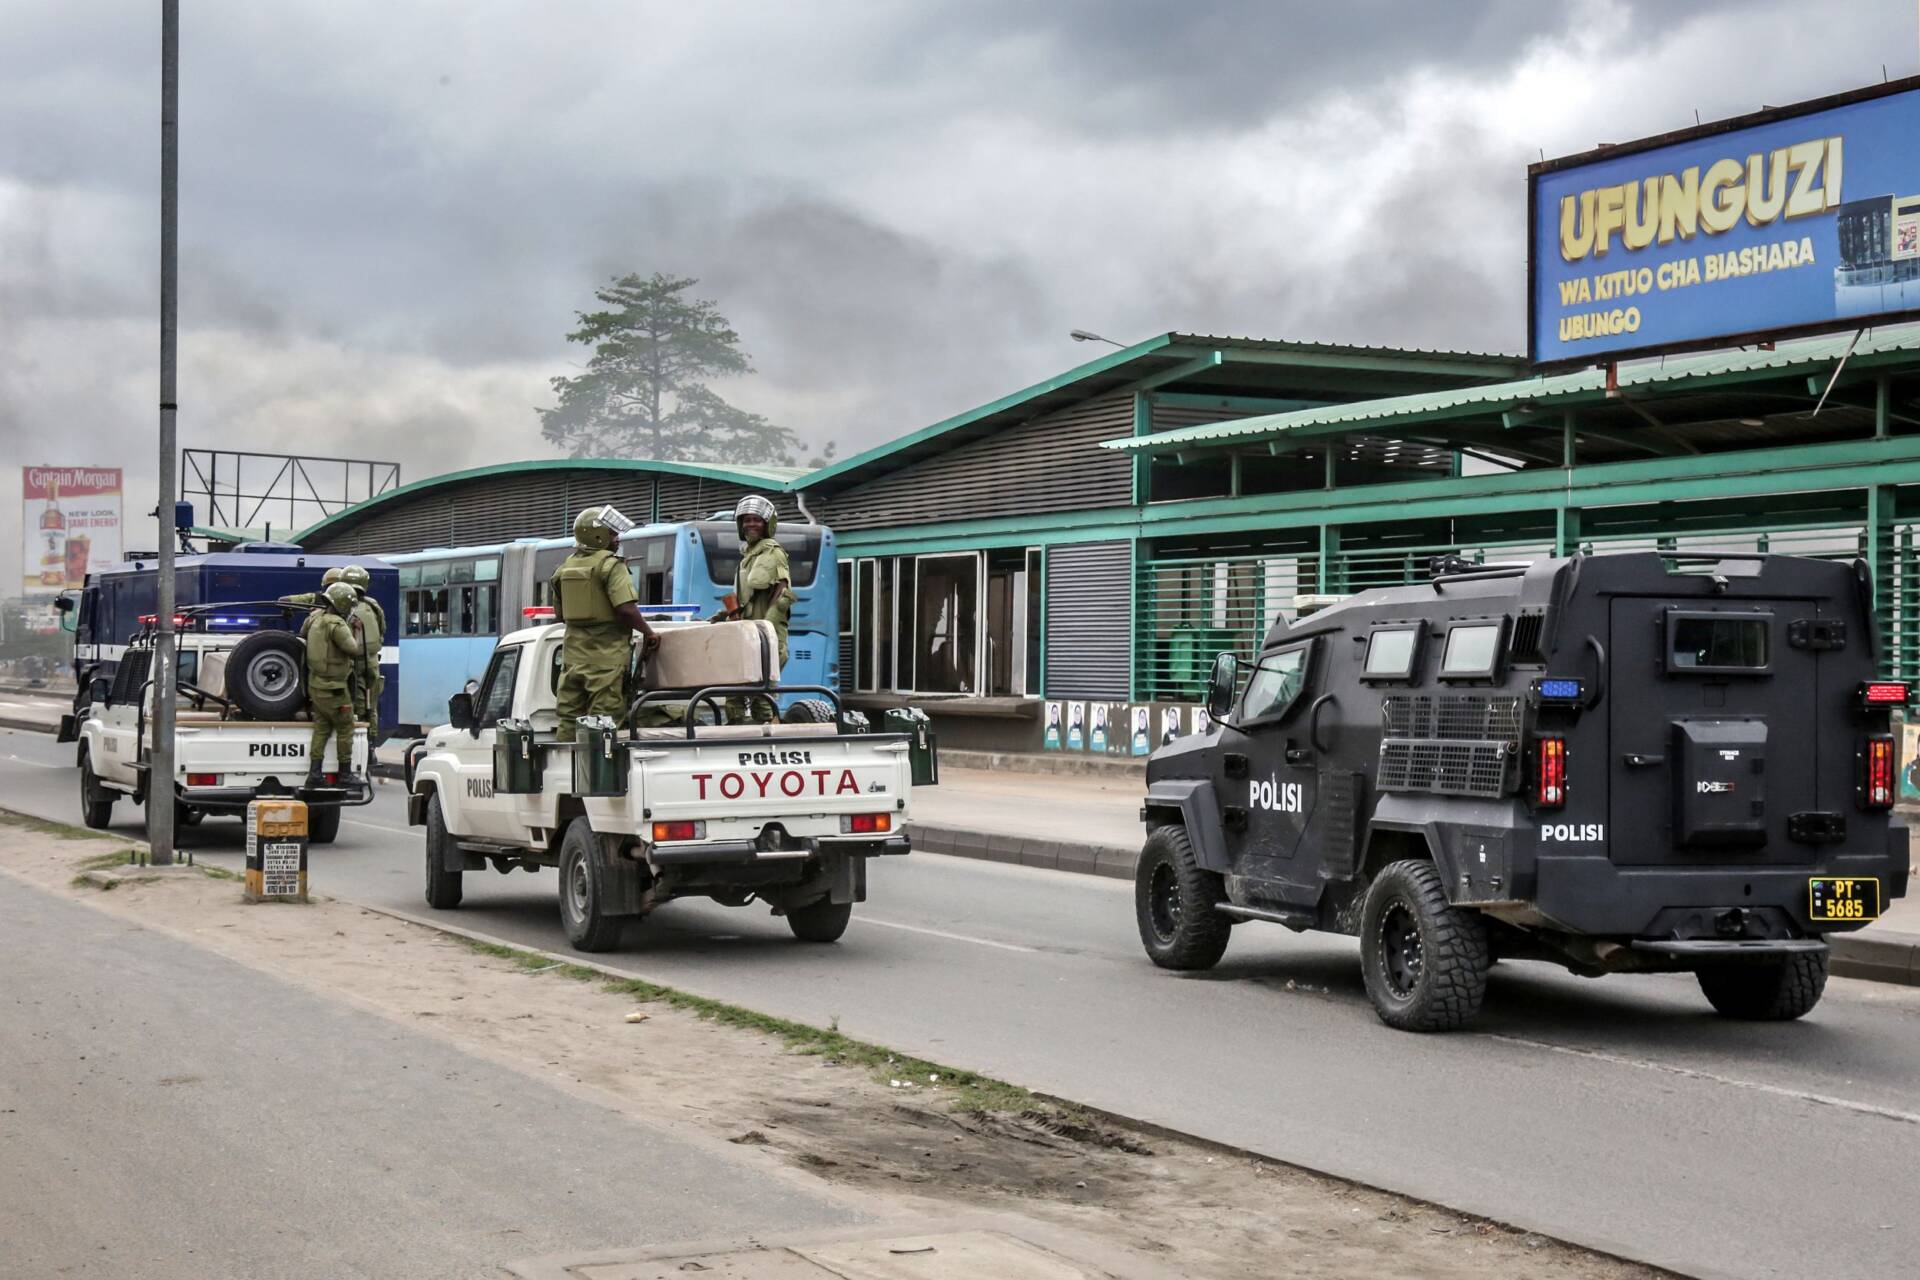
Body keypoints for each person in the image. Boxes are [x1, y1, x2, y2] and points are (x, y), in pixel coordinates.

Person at [551, 504, 659, 742]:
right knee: (604, 723)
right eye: (612, 533)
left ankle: (566, 770)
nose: (617, 539)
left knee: (569, 718)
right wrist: (649, 633)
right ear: (598, 535)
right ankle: (602, 776)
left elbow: (560, 615)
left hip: (572, 660)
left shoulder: (564, 568)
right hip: (606, 660)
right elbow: (626, 609)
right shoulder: (611, 565)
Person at [709, 494, 792, 724]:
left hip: (765, 637)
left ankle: (768, 743)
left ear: (767, 524)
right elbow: (746, 596)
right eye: (746, 520)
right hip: (745, 634)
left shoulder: (773, 552)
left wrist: (767, 632)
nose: (750, 525)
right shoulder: (748, 555)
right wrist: (725, 614)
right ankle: (735, 737)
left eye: (756, 520)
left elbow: (783, 594)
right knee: (734, 692)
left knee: (762, 696)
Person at [304, 581, 365, 783]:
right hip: (335, 689)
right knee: (345, 728)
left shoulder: (314, 618)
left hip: (316, 686)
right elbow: (354, 649)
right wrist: (356, 630)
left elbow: (302, 636)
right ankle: (345, 773)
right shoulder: (338, 625)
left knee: (321, 729)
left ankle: (314, 773)